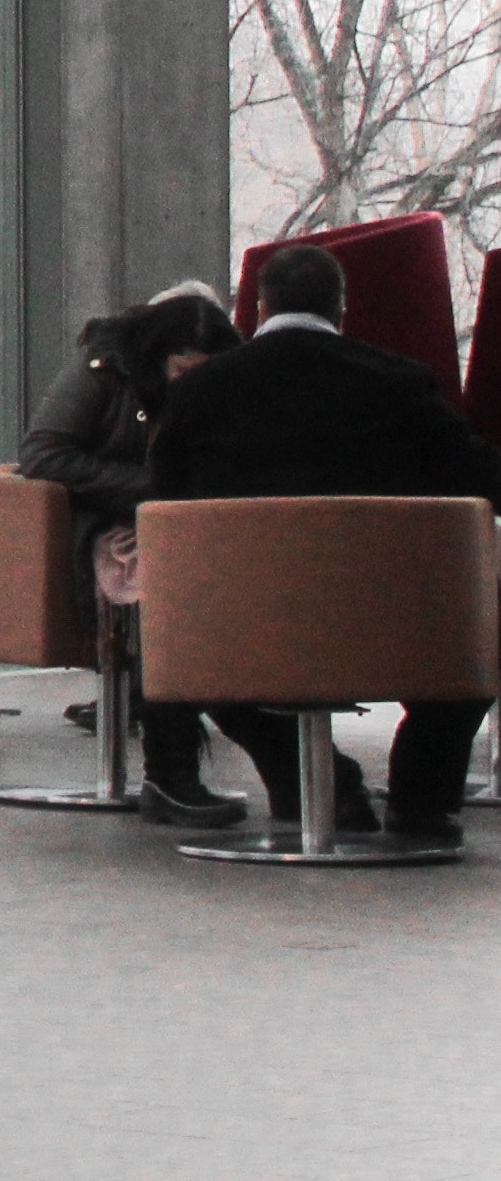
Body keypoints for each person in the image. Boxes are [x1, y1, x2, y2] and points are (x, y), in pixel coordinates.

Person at [147, 238, 501, 848]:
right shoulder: (400, 385)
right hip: (388, 625)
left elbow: (165, 503)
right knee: (488, 627)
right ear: (342, 308)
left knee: (201, 645)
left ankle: (317, 788)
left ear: (257, 309)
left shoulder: (197, 395)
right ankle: (422, 799)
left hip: (237, 632)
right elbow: (480, 478)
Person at [14, 283, 247, 827]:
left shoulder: (223, 384)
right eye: (184, 372)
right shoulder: (102, 372)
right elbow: (43, 453)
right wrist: (150, 485)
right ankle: (172, 769)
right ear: (156, 358)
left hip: (191, 522)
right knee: (169, 589)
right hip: (108, 521)